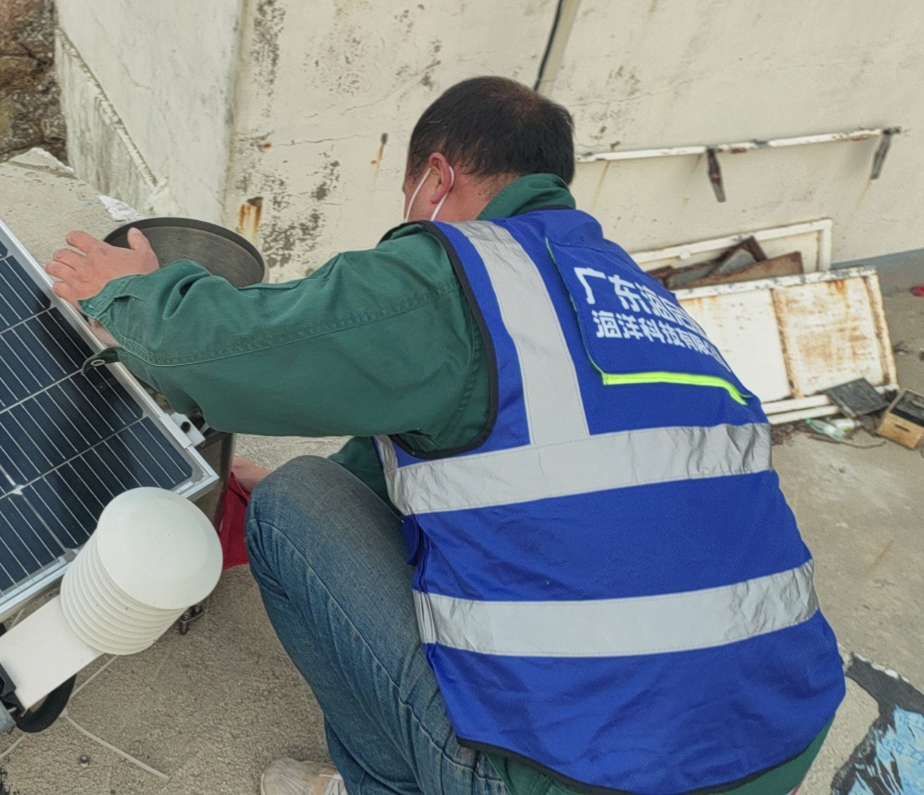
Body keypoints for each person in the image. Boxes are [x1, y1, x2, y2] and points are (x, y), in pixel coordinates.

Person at [43, 76, 844, 795]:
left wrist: (135, 296)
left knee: (290, 504)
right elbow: (475, 424)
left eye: (408, 193)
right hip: (779, 744)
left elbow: (231, 354)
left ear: (436, 177)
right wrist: (352, 495)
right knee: (333, 497)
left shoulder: (456, 272)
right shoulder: (636, 296)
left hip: (572, 779)